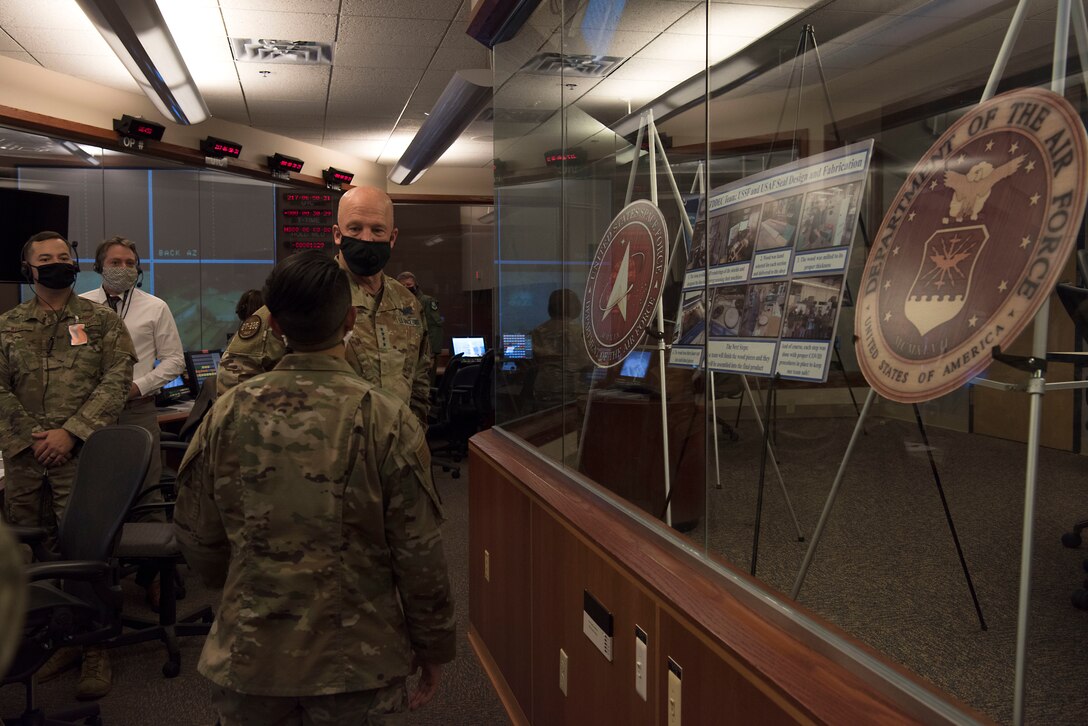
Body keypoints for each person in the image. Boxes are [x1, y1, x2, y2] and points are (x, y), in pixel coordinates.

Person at [174, 251, 455, 725]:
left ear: (276, 327)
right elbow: (419, 553)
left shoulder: (225, 414)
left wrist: (248, 585)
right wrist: (432, 647)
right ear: (349, 320)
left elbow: (198, 535)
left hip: (251, 653)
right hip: (357, 663)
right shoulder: (386, 418)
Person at [0, 231, 135, 700]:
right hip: (24, 459)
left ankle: (95, 647)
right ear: (28, 269)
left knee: (87, 554)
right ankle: (56, 637)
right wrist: (34, 438)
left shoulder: (100, 322)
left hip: (82, 457)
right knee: (32, 552)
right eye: (45, 258)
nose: (57, 263)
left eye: (64, 256)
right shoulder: (8, 325)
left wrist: (70, 432)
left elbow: (118, 381)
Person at [217, 186, 432, 424]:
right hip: (322, 450)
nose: (366, 238)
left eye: (377, 230)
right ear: (338, 234)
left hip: (393, 450)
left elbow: (420, 377)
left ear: (392, 237)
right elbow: (235, 372)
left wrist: (413, 432)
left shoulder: (407, 302)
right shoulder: (309, 291)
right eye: (355, 228)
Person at [80, 236, 185, 611]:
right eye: (115, 261)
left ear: (138, 269)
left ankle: (157, 579)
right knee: (94, 498)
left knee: (149, 493)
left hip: (138, 409)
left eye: (129, 263)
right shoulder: (80, 308)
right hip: (89, 414)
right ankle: (97, 586)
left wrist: (138, 386)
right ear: (99, 266)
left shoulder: (155, 307)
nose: (123, 268)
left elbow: (173, 361)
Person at [529, 288, 591, 406]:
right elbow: (589, 362)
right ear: (576, 307)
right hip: (573, 390)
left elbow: (521, 360)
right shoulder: (581, 332)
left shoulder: (537, 331)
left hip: (543, 389)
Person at [397, 271, 444, 362]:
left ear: (416, 285)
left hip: (424, 354)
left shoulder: (426, 301)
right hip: (404, 354)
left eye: (409, 284)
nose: (406, 287)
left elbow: (434, 328)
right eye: (402, 285)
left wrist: (432, 353)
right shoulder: (396, 304)